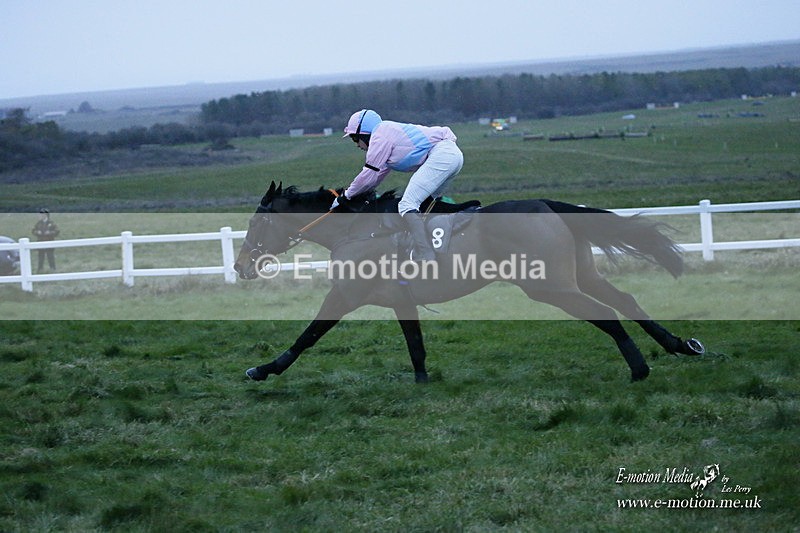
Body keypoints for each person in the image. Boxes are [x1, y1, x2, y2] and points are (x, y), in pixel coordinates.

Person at [335, 109, 464, 261]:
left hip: (443, 155)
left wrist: (346, 195)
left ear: (363, 133)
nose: (356, 144)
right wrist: (357, 193)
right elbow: (376, 176)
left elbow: (368, 173)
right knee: (424, 204)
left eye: (354, 139)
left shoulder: (379, 136)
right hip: (452, 156)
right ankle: (434, 243)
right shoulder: (386, 134)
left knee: (407, 204)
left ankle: (425, 253)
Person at [32, 208, 59, 272]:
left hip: (49, 242)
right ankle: (40, 269)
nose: (41, 216)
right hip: (40, 242)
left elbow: (57, 231)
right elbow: (33, 231)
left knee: (50, 257)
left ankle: (52, 268)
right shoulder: (38, 223)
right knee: (41, 257)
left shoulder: (51, 223)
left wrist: (50, 233)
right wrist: (37, 232)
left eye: (43, 214)